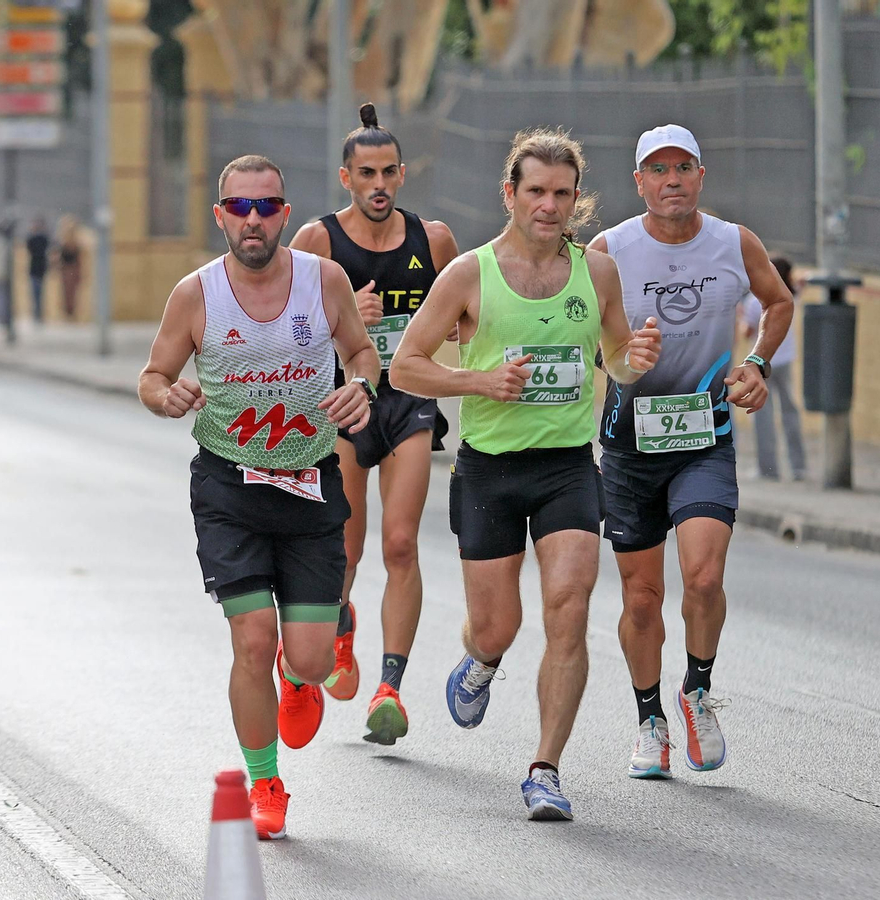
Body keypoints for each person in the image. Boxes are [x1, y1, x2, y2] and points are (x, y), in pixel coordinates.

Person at [389, 129, 662, 821]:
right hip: (488, 472)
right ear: (509, 194)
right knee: (498, 623)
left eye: (562, 193)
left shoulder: (596, 274)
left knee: (569, 608)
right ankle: (480, 661)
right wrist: (480, 379)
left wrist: (637, 358)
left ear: (577, 200)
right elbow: (405, 366)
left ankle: (545, 769)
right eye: (535, 191)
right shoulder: (468, 275)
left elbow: (617, 361)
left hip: (568, 465)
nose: (548, 205)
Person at [138, 154, 377, 840]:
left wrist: (362, 387)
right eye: (239, 207)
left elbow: (362, 354)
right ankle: (265, 782)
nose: (253, 220)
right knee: (251, 640)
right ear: (220, 216)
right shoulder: (195, 294)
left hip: (309, 487)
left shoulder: (323, 281)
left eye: (266, 207)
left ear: (285, 214)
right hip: (228, 488)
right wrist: (167, 396)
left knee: (307, 658)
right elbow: (153, 374)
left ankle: (303, 671)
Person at [587, 124, 793, 778]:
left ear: (701, 176)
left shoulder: (734, 243)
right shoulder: (607, 250)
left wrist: (756, 362)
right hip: (628, 443)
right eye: (658, 169)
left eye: (683, 168)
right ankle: (650, 719)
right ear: (639, 181)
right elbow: (583, 337)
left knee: (704, 579)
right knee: (642, 598)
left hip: (705, 438)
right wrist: (619, 356)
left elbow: (779, 302)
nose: (671, 180)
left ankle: (696, 691)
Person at [288, 102, 459, 746]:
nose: (379, 185)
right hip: (343, 405)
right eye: (367, 174)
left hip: (408, 402)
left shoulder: (433, 240)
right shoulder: (317, 242)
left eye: (389, 172)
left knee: (400, 544)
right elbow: (287, 337)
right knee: (347, 547)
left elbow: (468, 313)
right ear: (346, 178)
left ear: (403, 174)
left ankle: (390, 688)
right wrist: (343, 327)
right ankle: (340, 622)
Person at [739, 257, 805, 481]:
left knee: (762, 417)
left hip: (761, 362)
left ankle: (768, 469)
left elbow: (747, 333)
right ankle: (799, 468)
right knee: (790, 414)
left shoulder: (752, 302)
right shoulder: (791, 295)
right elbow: (801, 284)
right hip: (785, 361)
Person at [55, 215, 82, 320]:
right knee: (66, 293)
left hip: (72, 269)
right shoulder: (63, 241)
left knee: (72, 293)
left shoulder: (75, 242)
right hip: (66, 269)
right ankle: (67, 313)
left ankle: (71, 313)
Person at [25, 218, 49, 323]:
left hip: (37, 269)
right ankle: (37, 315)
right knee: (37, 295)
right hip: (38, 269)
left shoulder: (38, 239)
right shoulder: (42, 238)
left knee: (37, 295)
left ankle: (37, 315)